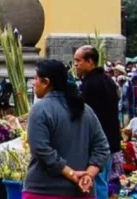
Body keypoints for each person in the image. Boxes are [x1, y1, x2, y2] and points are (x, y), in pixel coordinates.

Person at [24, 59, 110, 199]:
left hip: (45, 191)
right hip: (82, 192)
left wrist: (71, 174)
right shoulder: (85, 109)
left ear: (46, 82)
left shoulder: (40, 109)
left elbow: (41, 149)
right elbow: (102, 147)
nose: (34, 83)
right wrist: (88, 175)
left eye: (35, 78)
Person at [74, 45, 120, 199]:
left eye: (78, 60)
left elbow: (89, 116)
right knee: (102, 181)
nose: (75, 64)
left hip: (98, 142)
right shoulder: (107, 80)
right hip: (109, 139)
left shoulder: (92, 84)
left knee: (97, 181)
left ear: (90, 62)